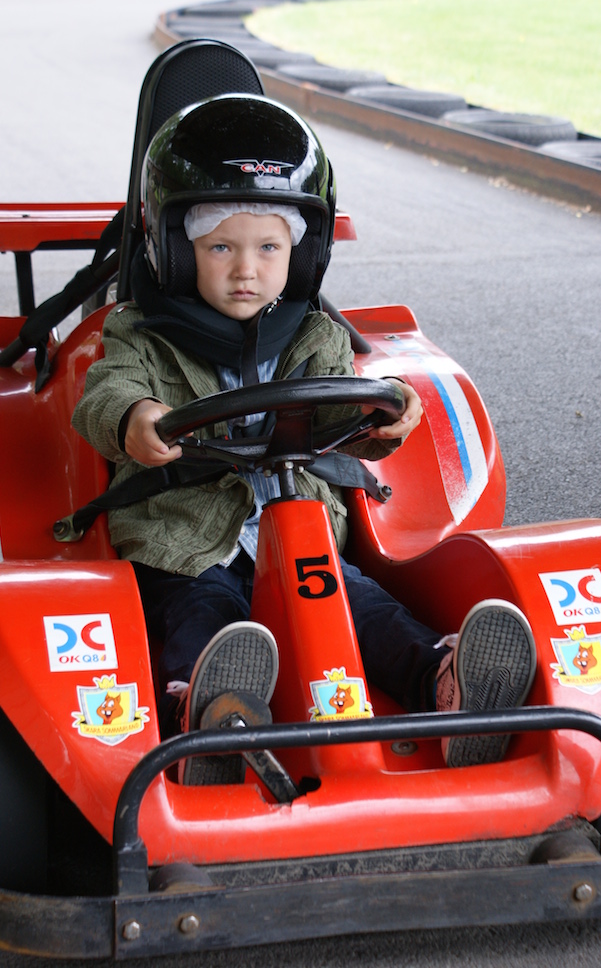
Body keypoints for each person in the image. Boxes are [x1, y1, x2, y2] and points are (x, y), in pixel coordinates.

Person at [72, 93, 536, 784]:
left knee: (364, 604)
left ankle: (444, 682)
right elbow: (105, 393)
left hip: (299, 529)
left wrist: (385, 421)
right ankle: (210, 719)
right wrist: (133, 416)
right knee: (205, 615)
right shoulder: (138, 333)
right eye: (220, 247)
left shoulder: (315, 335)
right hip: (186, 539)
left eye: (267, 248)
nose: (244, 269)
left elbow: (341, 426)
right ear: (175, 248)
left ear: (301, 251)